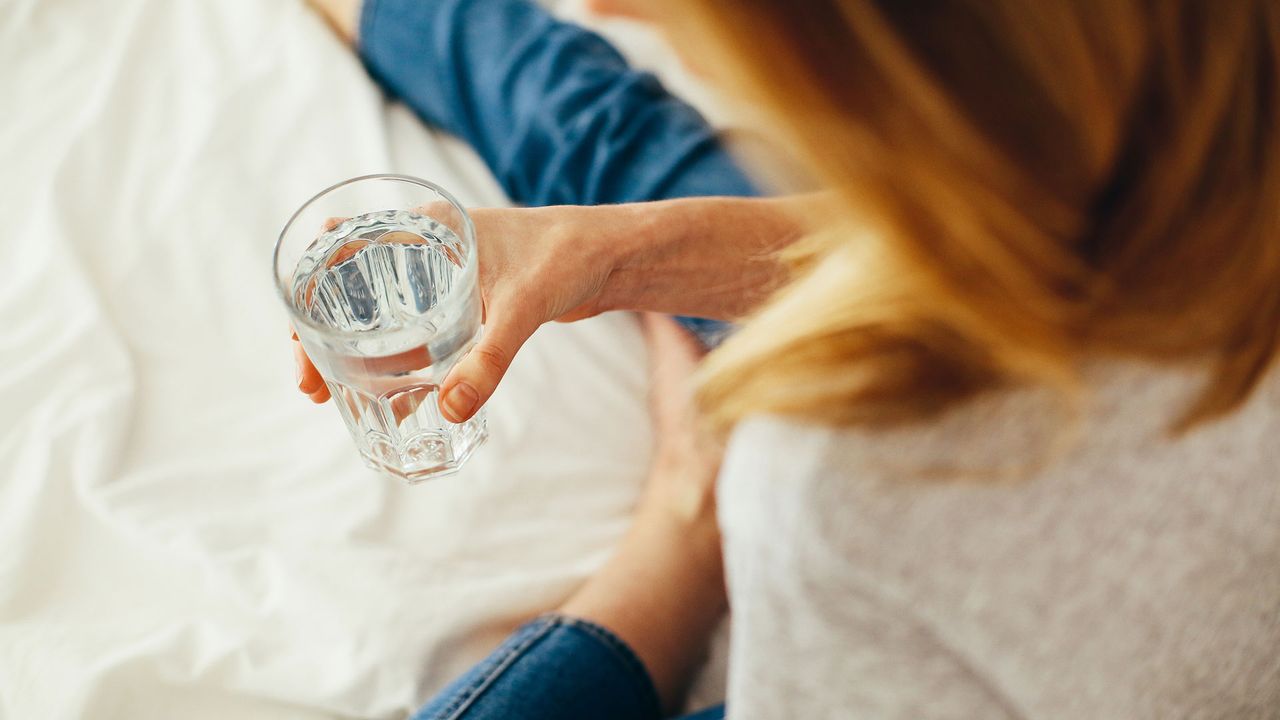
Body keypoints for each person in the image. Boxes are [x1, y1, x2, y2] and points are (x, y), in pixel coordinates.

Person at [297, 0, 1280, 718]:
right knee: (613, 154)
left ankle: (683, 527)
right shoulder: (1207, 106)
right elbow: (1035, 239)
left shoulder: (844, 490)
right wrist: (615, 256)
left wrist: (724, 506)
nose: (606, 3)